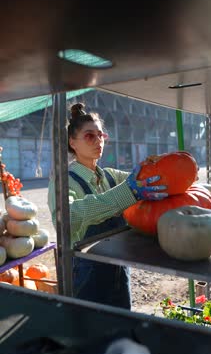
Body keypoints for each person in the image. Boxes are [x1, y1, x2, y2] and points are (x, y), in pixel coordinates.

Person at [48, 102, 168, 310]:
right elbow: (70, 216)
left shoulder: (111, 176)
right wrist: (128, 193)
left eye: (100, 135)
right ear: (72, 142)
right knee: (90, 332)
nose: (98, 141)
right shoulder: (63, 182)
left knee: (122, 324)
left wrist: (157, 166)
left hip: (119, 271)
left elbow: (150, 180)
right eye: (89, 136)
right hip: (86, 276)